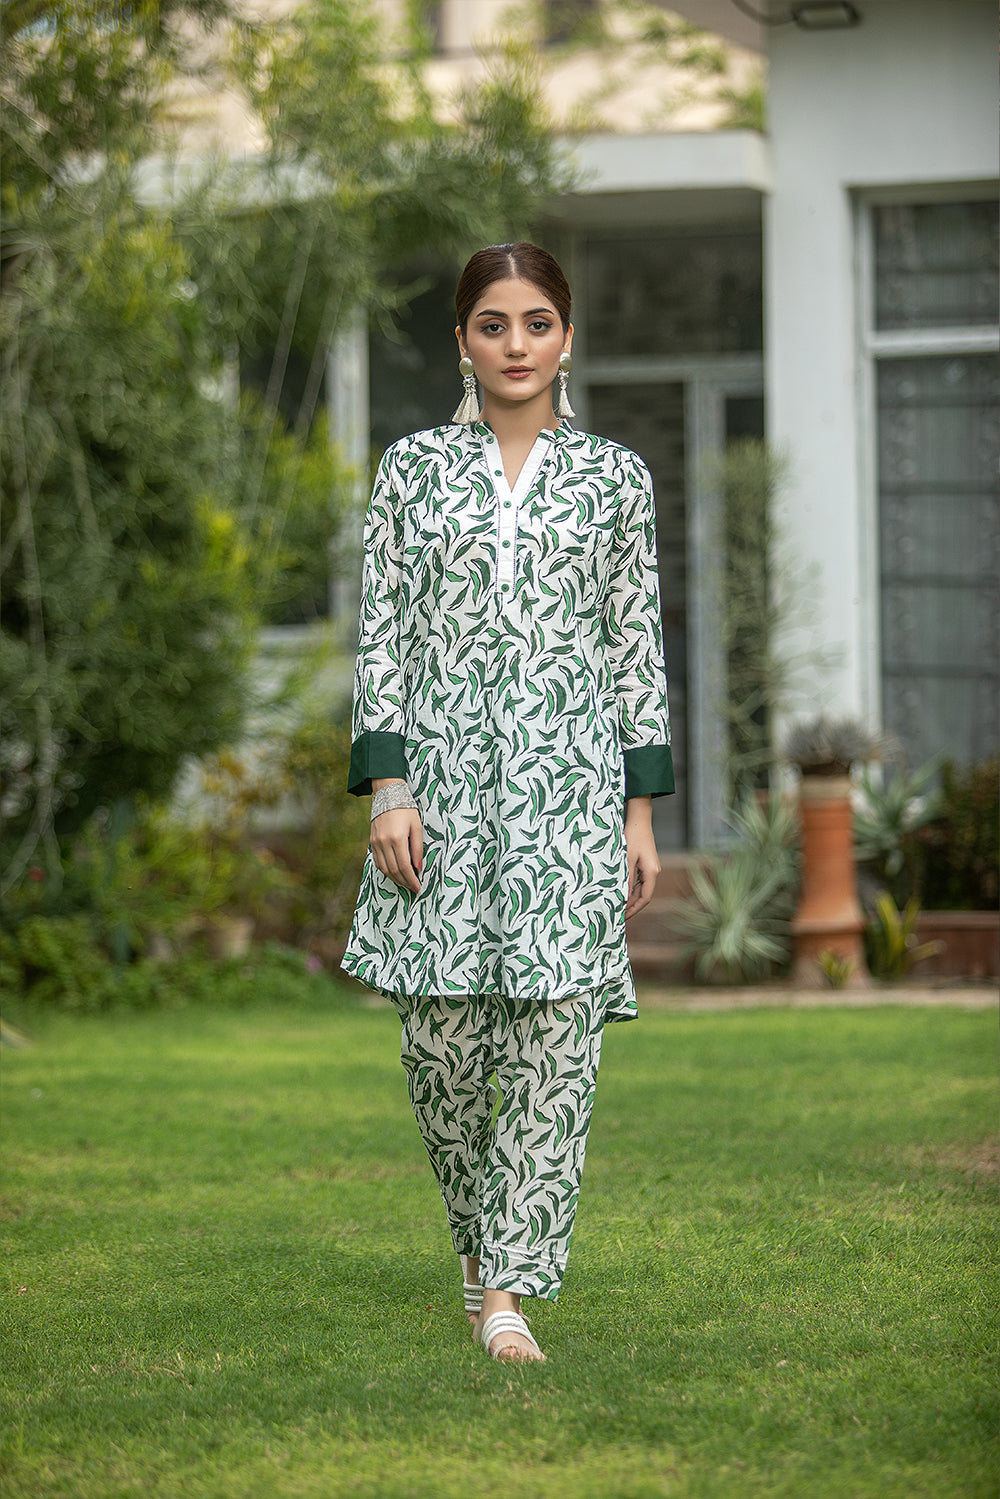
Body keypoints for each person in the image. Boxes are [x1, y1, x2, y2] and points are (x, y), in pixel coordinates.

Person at [340, 242, 674, 1362]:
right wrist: (388, 787)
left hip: (569, 795)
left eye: (537, 323)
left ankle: (506, 1293)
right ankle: (481, 1250)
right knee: (440, 1047)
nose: (517, 344)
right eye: (494, 324)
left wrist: (638, 812)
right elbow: (383, 633)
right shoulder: (412, 470)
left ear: (566, 337)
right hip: (436, 796)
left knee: (554, 1037)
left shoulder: (616, 479)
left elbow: (635, 649)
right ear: (462, 341)